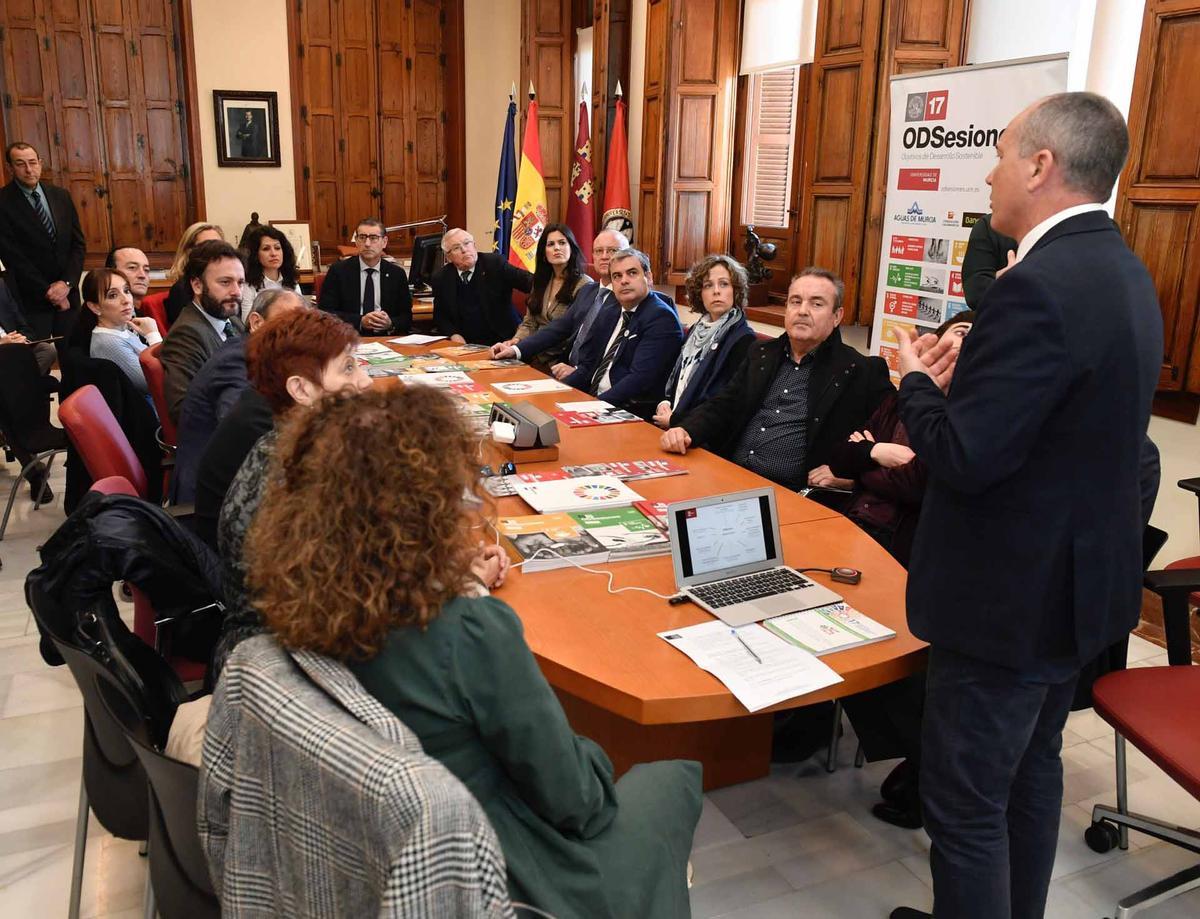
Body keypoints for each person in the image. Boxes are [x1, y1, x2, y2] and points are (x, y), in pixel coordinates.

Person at [243, 384, 702, 918]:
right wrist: (598, 756)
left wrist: (449, 582)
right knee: (673, 775)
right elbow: (576, 801)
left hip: (371, 847)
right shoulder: (470, 632)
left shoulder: (305, 597)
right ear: (427, 503)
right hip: (495, 869)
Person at [888, 92, 1162, 919]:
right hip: (1074, 598)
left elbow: (966, 455)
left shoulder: (1035, 289)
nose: (989, 171)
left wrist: (916, 383)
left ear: (1041, 166)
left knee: (966, 806)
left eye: (1001, 153)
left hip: (1004, 603)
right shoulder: (1124, 269)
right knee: (1030, 778)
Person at [661, 268, 892, 501]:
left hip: (795, 495)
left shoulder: (860, 370)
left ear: (837, 316)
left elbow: (894, 444)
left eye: (816, 304)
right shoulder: (762, 353)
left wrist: (854, 476)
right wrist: (686, 429)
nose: (802, 311)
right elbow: (724, 404)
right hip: (729, 477)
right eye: (795, 301)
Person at [193, 308, 370, 554]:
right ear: (300, 389)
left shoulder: (287, 427)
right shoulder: (293, 462)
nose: (366, 381)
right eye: (348, 368)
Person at [830, 312, 975, 567]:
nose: (966, 342)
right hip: (853, 522)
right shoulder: (898, 400)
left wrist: (863, 460)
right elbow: (840, 458)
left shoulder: (969, 414)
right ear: (936, 340)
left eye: (977, 336)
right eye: (961, 332)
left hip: (904, 547)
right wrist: (876, 452)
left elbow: (916, 485)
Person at [173, 288, 306, 504]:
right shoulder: (237, 362)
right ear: (256, 322)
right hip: (212, 503)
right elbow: (247, 435)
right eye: (288, 323)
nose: (296, 336)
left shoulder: (254, 352)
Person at [490, 228, 630, 380]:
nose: (604, 256)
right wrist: (515, 347)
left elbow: (598, 345)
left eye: (612, 250)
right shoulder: (590, 291)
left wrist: (577, 370)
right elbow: (555, 328)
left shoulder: (622, 297)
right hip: (547, 360)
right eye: (598, 251)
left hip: (569, 368)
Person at [563, 248, 682, 414]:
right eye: (617, 276)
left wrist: (592, 406)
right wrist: (560, 392)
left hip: (627, 409)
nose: (623, 281)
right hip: (593, 401)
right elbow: (587, 366)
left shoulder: (661, 318)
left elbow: (639, 380)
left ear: (648, 278)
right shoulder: (610, 310)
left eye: (632, 273)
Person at [653, 254, 756, 429]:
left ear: (736, 290)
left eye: (724, 284)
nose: (716, 291)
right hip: (673, 421)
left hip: (700, 433)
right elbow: (678, 378)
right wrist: (664, 402)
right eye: (708, 285)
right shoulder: (696, 330)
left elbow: (723, 403)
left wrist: (676, 421)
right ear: (699, 294)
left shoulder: (744, 339)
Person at [0, 142, 86, 348]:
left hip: (68, 294)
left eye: (32, 162)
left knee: (74, 353)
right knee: (37, 357)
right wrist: (51, 293)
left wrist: (66, 284)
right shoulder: (2, 201)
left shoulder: (61, 195)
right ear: (10, 168)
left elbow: (78, 244)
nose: (29, 169)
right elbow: (12, 256)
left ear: (40, 163)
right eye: (21, 164)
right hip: (31, 297)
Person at [160, 240, 247, 424]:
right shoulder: (186, 334)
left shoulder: (232, 321)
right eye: (225, 282)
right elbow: (182, 410)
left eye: (240, 283)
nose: (236, 292)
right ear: (197, 285)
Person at [495, 224, 592, 370]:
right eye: (551, 244)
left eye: (562, 243)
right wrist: (517, 340)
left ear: (571, 248)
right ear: (544, 253)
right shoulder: (541, 281)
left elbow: (574, 333)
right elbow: (529, 322)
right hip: (531, 355)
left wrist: (528, 349)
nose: (557, 248)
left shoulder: (584, 284)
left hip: (559, 361)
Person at [432, 228, 532, 345]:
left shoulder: (495, 264)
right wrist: (453, 334)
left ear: (474, 245)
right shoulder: (441, 278)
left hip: (504, 339)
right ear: (448, 257)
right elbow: (440, 316)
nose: (464, 250)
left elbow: (530, 282)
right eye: (456, 248)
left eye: (467, 243)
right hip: (464, 345)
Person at [77, 268, 163, 401]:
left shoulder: (124, 330)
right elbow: (158, 384)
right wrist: (153, 336)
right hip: (157, 415)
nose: (126, 300)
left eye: (126, 291)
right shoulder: (109, 342)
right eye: (113, 295)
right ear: (95, 307)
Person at [317, 218, 411, 335]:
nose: (367, 244)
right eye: (362, 237)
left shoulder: (396, 274)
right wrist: (360, 321)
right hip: (350, 336)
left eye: (373, 238)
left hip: (385, 339)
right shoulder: (339, 271)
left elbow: (406, 317)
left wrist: (390, 323)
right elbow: (325, 313)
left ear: (384, 242)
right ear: (356, 241)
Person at [163, 222, 225, 326]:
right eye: (207, 246)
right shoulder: (181, 289)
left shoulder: (229, 284)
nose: (215, 251)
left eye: (219, 246)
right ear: (189, 252)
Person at [238, 225, 302, 322]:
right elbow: (247, 322)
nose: (273, 253)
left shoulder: (290, 280)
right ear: (256, 254)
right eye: (266, 249)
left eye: (277, 248)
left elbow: (302, 314)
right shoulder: (249, 285)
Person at [0, 277, 56, 375]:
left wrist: (22, 340)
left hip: (14, 348)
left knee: (46, 350)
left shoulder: (1, 286)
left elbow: (24, 326)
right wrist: (2, 344)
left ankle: (18, 383)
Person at [962, 213, 1018, 309]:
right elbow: (974, 292)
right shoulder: (990, 225)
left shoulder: (1051, 232)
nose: (991, 198)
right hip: (1000, 318)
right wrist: (1002, 280)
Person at [105, 246, 152, 311]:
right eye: (132, 267)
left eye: (146, 270)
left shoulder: (148, 312)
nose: (142, 275)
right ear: (111, 272)